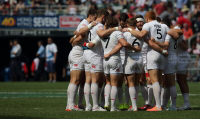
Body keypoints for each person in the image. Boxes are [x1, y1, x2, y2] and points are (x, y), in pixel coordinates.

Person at [128, 11, 182, 111]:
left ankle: (157, 106)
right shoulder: (163, 26)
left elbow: (141, 36)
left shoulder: (147, 25)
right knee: (160, 81)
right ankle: (160, 104)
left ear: (146, 18)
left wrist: (128, 29)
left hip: (152, 53)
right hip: (162, 55)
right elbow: (176, 36)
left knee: (154, 80)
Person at [84, 16, 140, 111]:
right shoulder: (117, 33)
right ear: (115, 24)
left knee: (108, 83)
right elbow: (124, 44)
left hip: (105, 60)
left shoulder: (101, 34)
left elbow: (91, 44)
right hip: (114, 59)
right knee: (115, 84)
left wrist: (84, 44)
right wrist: (135, 48)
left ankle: (106, 103)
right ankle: (113, 107)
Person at [67, 9, 98, 111]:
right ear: (90, 16)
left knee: (82, 81)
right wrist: (76, 38)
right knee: (75, 80)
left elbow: (76, 33)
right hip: (78, 52)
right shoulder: (85, 23)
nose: (95, 20)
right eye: (94, 17)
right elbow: (79, 36)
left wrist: (74, 37)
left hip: (81, 52)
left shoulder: (84, 23)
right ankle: (70, 105)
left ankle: (79, 104)